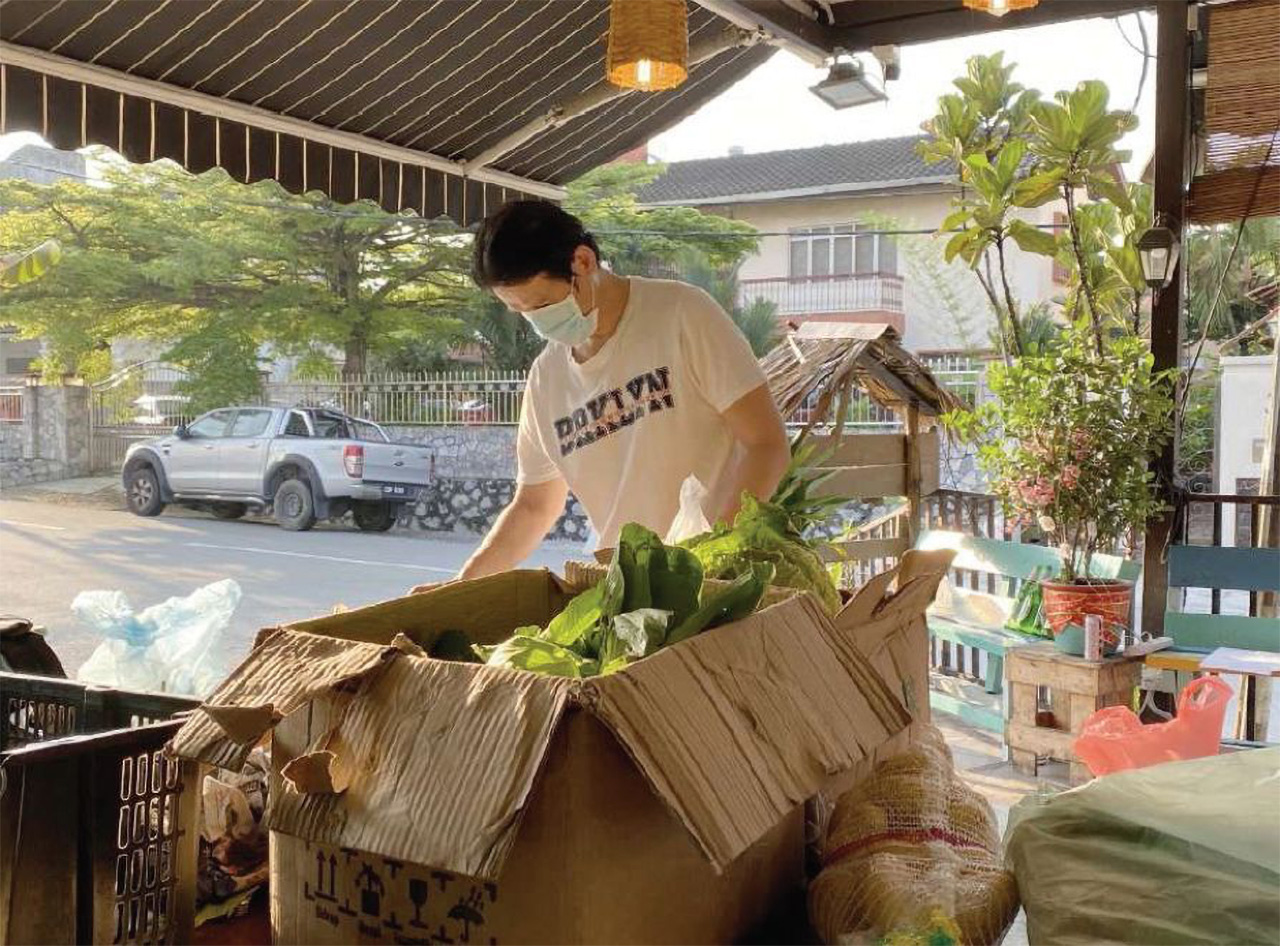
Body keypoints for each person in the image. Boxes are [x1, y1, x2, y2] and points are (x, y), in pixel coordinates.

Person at [456, 199, 789, 581]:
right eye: (521, 312)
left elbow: (765, 444)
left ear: (582, 261)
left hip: (718, 579)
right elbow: (534, 505)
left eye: (543, 304)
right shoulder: (547, 379)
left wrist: (712, 558)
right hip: (626, 589)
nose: (537, 321)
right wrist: (458, 588)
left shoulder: (682, 314)